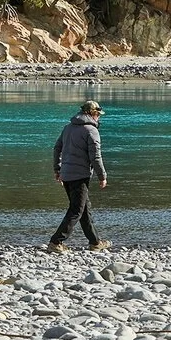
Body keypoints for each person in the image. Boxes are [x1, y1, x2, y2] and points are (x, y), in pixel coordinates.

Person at [48, 100, 110, 252]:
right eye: (97, 114)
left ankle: (95, 242)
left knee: (84, 209)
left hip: (66, 174)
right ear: (91, 113)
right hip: (80, 175)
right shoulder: (91, 131)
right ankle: (56, 242)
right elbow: (95, 157)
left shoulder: (68, 127)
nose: (98, 117)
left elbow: (57, 148)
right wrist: (102, 176)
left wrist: (57, 169)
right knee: (76, 210)